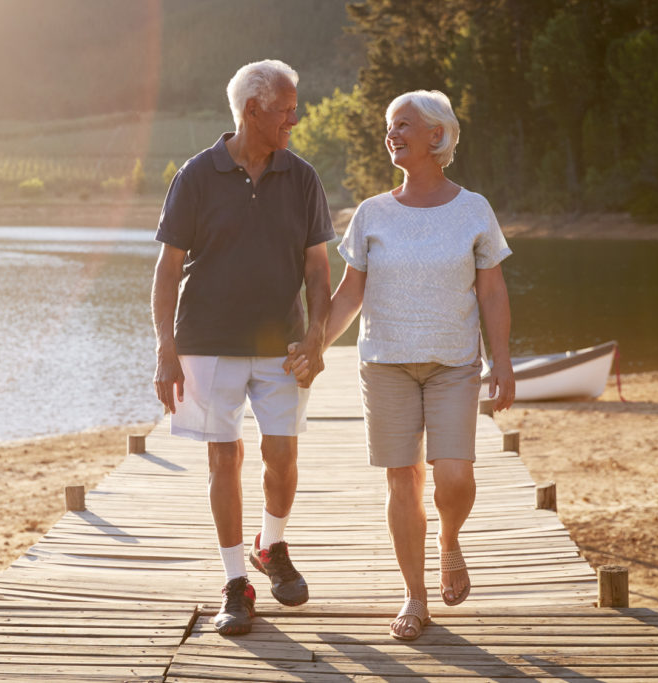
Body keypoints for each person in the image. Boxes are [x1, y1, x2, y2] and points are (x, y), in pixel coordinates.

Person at [287, 89, 515, 641]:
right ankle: (415, 597)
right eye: (389, 125)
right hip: (384, 365)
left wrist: (503, 361)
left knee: (454, 476)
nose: (392, 134)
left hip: (454, 363)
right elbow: (348, 294)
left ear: (437, 136)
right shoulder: (371, 213)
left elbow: (492, 292)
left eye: (404, 125)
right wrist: (316, 342)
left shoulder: (474, 209)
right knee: (402, 480)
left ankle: (449, 540)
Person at [152, 59, 335, 636]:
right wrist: (165, 347)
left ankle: (270, 545)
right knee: (222, 458)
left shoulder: (303, 177)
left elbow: (318, 268)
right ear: (252, 110)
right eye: (286, 108)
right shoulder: (196, 175)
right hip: (205, 342)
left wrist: (316, 336)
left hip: (282, 345)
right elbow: (168, 266)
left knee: (281, 457)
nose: (295, 118)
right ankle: (237, 580)